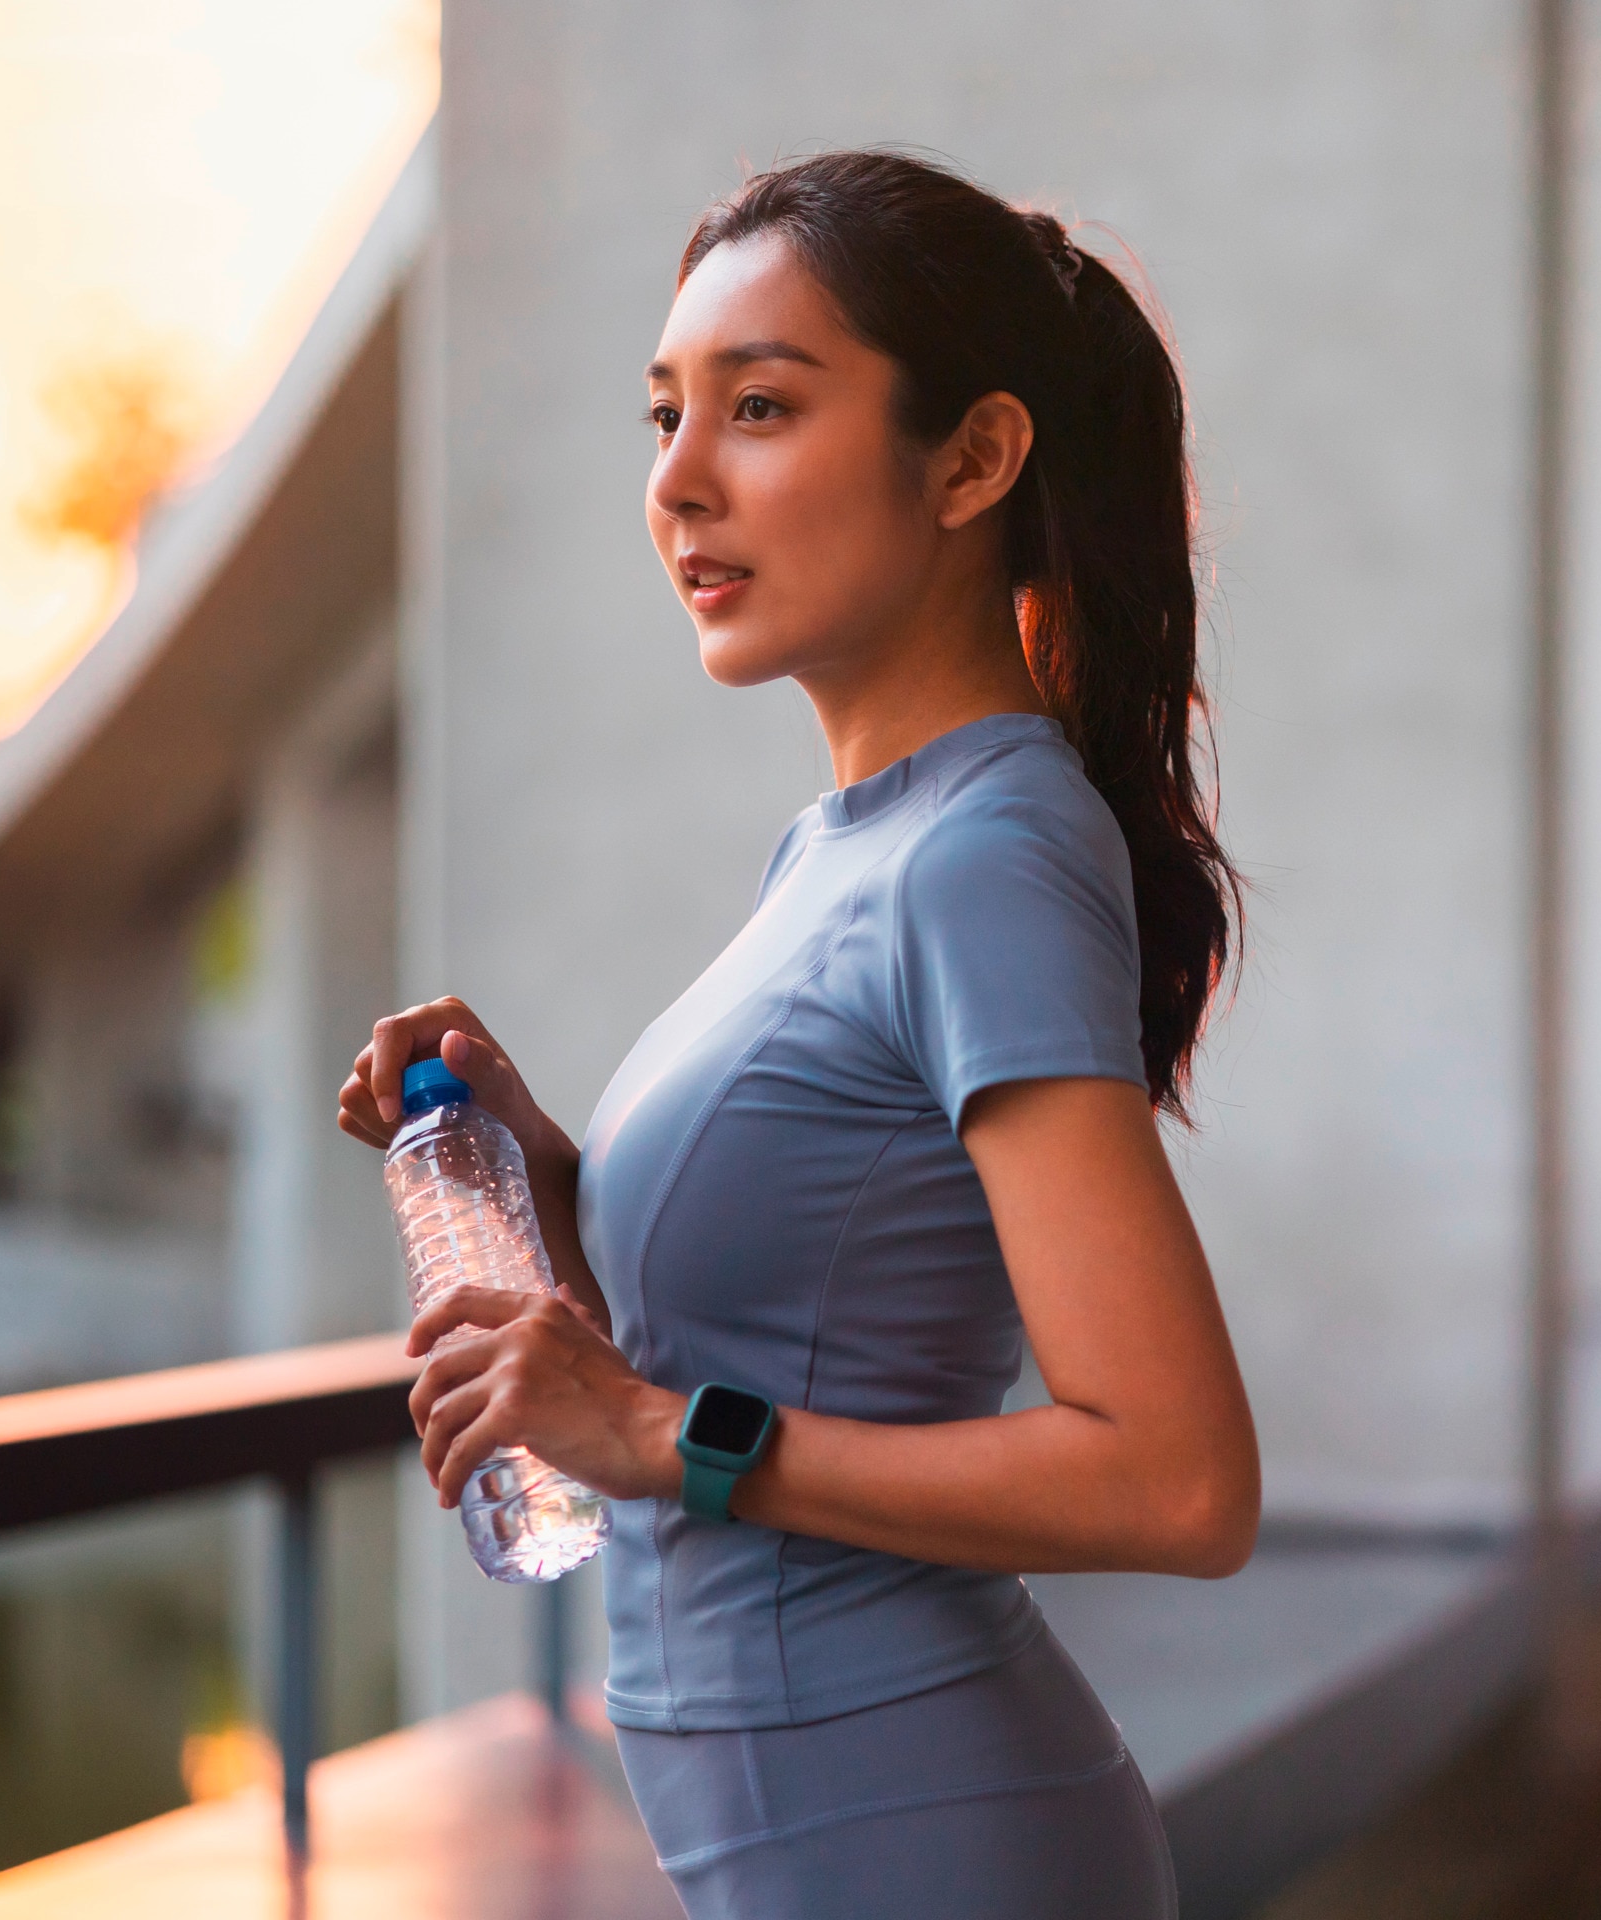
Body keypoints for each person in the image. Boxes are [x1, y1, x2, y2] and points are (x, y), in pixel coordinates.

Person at [335, 149, 1257, 1919]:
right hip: (817, 1828)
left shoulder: (984, 854)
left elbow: (1178, 1477)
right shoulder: (852, 850)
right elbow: (749, 1342)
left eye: (759, 407)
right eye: (664, 414)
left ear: (973, 461)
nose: (679, 481)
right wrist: (540, 1166)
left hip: (920, 1827)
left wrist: (655, 1433)